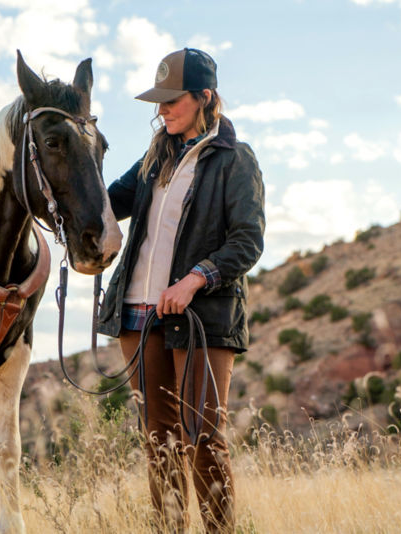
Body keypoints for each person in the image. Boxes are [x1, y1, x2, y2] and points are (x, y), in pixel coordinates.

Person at [98, 48, 265, 532]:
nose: (162, 110)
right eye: (159, 102)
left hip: (202, 317)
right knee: (159, 441)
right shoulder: (155, 157)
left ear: (204, 97)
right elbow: (105, 203)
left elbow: (247, 240)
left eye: (173, 100)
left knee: (203, 438)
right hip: (136, 314)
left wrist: (195, 279)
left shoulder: (235, 159)